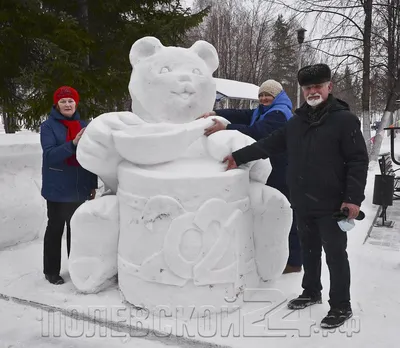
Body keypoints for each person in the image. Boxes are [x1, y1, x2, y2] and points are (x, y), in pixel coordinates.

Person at [223, 64, 369, 329]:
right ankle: (311, 291)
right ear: (302, 91)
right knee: (309, 250)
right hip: (302, 199)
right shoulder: (297, 122)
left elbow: (358, 160)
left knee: (335, 254)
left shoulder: (344, 120)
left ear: (329, 87)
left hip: (332, 203)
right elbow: (268, 144)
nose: (313, 91)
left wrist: (353, 199)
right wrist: (238, 156)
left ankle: (341, 305)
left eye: (318, 86)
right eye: (308, 88)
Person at [199, 79, 302, 273]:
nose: (263, 98)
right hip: (274, 167)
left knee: (286, 212)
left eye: (268, 95)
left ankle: (294, 261)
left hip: (284, 169)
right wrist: (216, 113)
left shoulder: (280, 114)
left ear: (277, 97)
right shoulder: (262, 111)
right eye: (261, 95)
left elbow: (257, 132)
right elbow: (244, 114)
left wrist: (226, 129)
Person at [40, 86, 98, 285]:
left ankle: (76, 271)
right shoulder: (48, 127)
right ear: (57, 104)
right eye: (63, 101)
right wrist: (72, 144)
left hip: (79, 188)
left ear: (76, 103)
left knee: (78, 231)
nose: (67, 104)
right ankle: (51, 271)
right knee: (55, 230)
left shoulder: (84, 125)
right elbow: (50, 156)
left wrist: (92, 184)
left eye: (70, 101)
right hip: (57, 189)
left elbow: (89, 157)